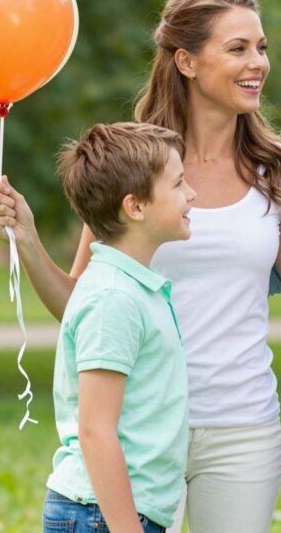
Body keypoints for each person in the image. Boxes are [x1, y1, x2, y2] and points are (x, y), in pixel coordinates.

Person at [0, 0, 281, 533]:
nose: (258, 63)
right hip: (137, 427)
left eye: (261, 47)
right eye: (237, 48)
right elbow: (81, 301)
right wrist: (26, 239)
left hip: (240, 426)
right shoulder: (138, 166)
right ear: (186, 61)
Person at [42, 121, 195, 533]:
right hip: (101, 516)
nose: (191, 194)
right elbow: (96, 430)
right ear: (136, 207)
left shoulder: (132, 286)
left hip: (112, 513)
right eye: (178, 184)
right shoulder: (113, 297)